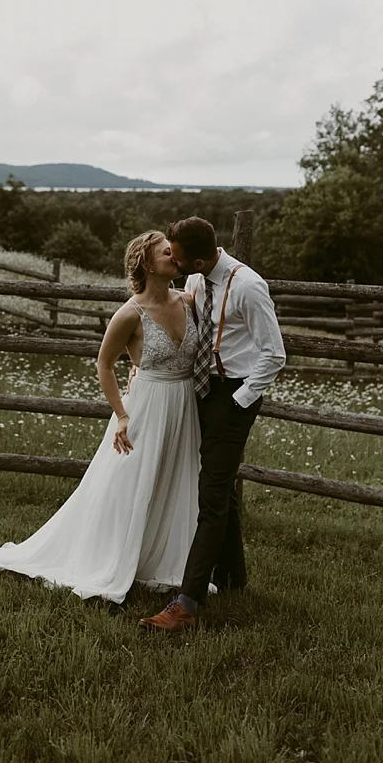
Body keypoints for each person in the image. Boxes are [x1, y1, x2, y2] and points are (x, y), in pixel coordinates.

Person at [0, 230, 203, 604]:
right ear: (146, 263)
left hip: (184, 406)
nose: (176, 257)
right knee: (127, 485)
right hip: (145, 407)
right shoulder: (130, 313)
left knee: (172, 478)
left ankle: (161, 560)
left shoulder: (190, 301)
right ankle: (109, 558)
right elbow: (104, 365)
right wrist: (121, 416)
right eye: (167, 252)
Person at [138, 216, 285, 633]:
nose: (175, 264)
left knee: (211, 493)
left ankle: (186, 602)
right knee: (221, 487)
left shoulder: (249, 287)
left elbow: (274, 354)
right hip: (201, 389)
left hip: (235, 395)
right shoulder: (198, 282)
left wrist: (238, 402)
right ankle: (234, 578)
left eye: (180, 260)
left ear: (200, 259)